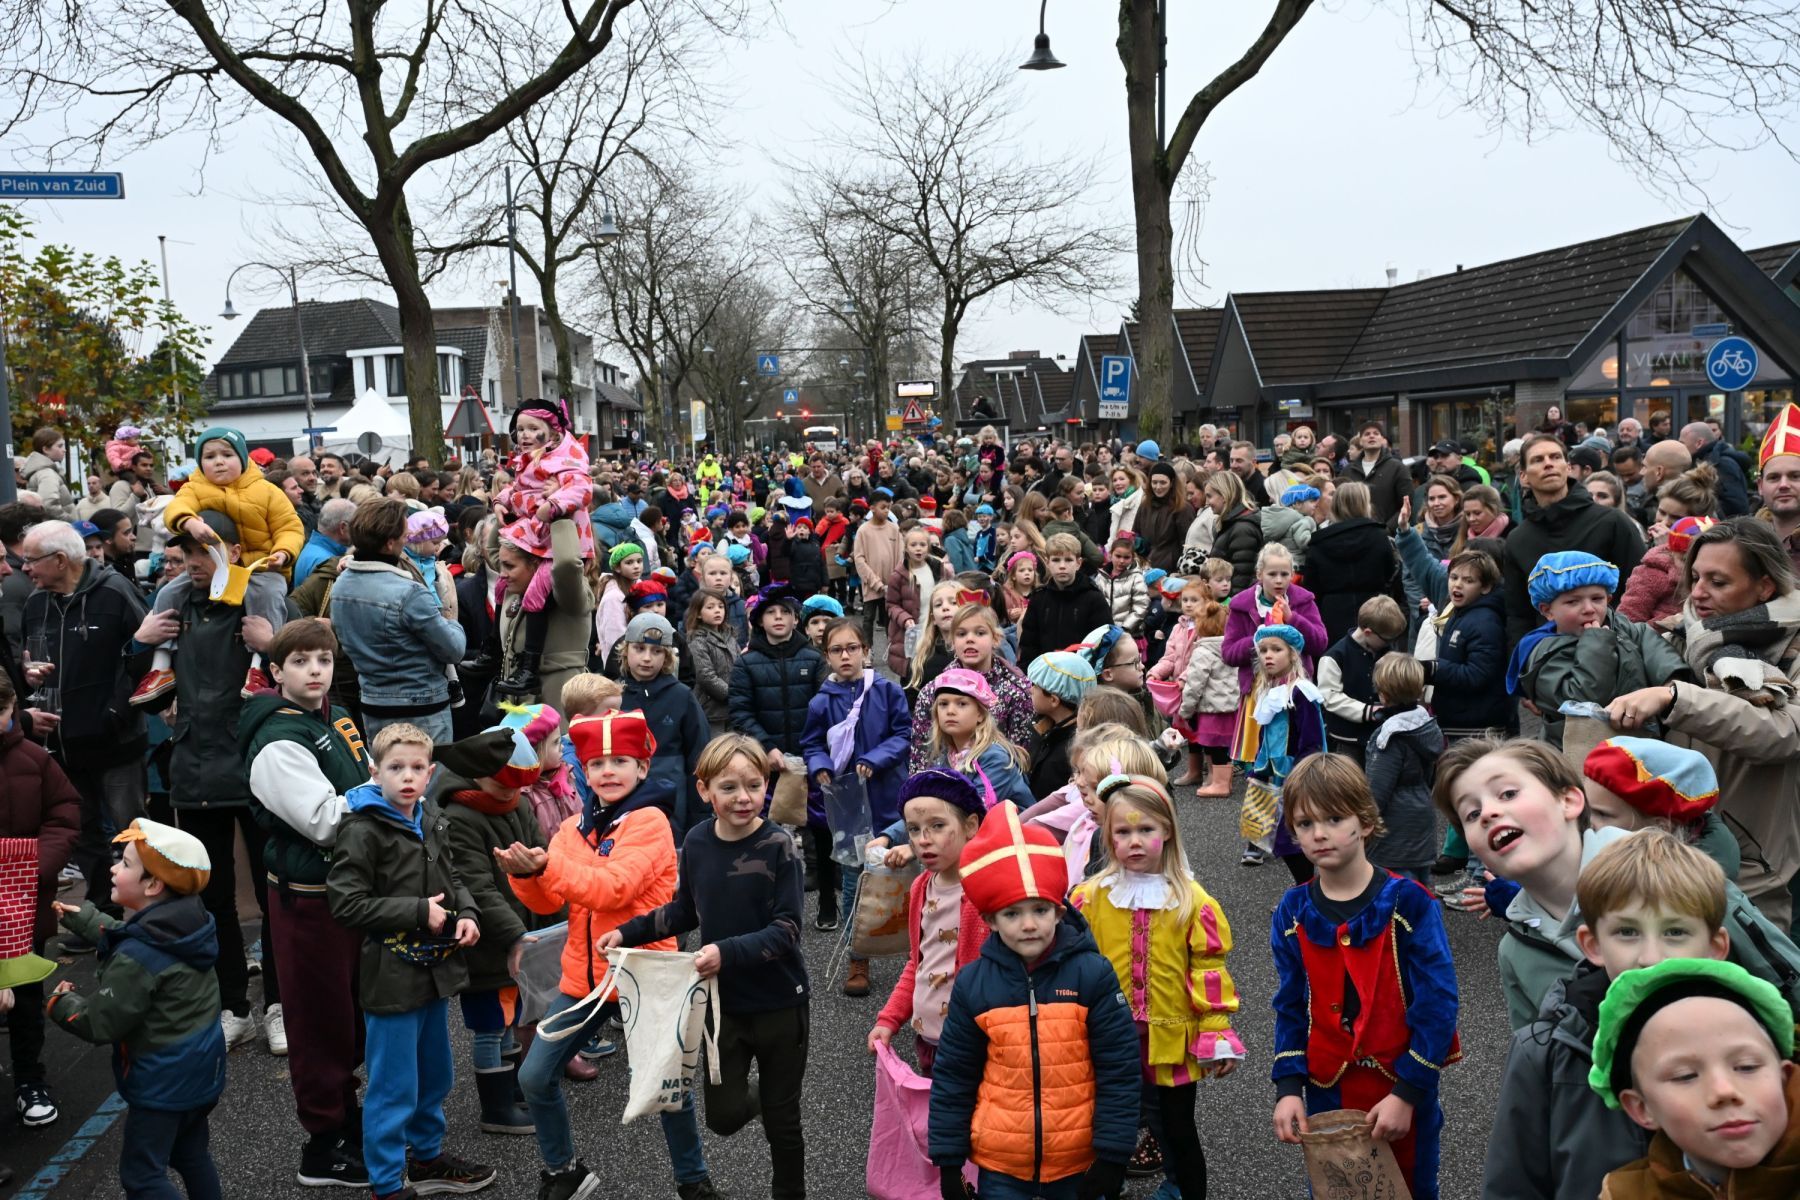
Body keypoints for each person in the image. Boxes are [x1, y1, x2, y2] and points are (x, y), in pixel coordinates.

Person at [501, 710, 716, 1200]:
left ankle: (693, 1181)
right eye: (597, 763)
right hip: (584, 978)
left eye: (620, 761)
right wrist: (526, 873)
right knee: (535, 1076)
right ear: (584, 771)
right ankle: (564, 1171)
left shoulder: (651, 822)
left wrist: (548, 866)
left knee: (667, 1089)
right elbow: (548, 901)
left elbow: (612, 888)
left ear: (643, 767)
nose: (608, 771)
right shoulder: (573, 827)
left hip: (644, 973)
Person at [1483, 826, 1756, 1200]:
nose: (1651, 958)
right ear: (1592, 945)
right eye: (1627, 932)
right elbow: (1512, 1187)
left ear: (1715, 946)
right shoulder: (1546, 1052)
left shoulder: (1757, 1044)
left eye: (1675, 932)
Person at [603, 734, 809, 1200]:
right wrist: (627, 932)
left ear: (767, 785)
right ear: (704, 790)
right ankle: (764, 1097)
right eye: (729, 787)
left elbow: (788, 929)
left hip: (781, 1002)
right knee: (723, 1116)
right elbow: (684, 911)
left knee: (784, 1122)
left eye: (754, 785)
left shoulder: (780, 845)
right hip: (722, 1004)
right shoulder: (696, 841)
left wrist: (726, 952)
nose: (743, 797)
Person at [927, 801, 1140, 1200]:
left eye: (1040, 910)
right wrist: (949, 1162)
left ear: (1059, 912)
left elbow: (1120, 1069)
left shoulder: (1093, 975)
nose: (1028, 924)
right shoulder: (973, 986)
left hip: (1079, 1160)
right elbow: (954, 1077)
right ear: (990, 920)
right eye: (1012, 914)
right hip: (1002, 1164)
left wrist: (1113, 1155)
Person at [1270, 754, 1460, 1200]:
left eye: (1334, 819)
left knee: (1409, 1187)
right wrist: (1288, 1087)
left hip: (1399, 1085)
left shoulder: (1409, 903)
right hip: (1327, 1088)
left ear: (1366, 821)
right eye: (1305, 824)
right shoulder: (1292, 911)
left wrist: (1408, 1093)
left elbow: (1438, 1003)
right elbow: (1290, 1004)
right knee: (1339, 1191)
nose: (1319, 833)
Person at [325, 723, 494, 1199]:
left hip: (434, 970)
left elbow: (453, 876)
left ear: (430, 773)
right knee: (393, 1086)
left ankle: (426, 1158)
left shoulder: (430, 815)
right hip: (391, 976)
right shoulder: (361, 829)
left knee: (435, 1074)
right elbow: (346, 904)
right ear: (374, 771)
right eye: (395, 767)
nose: (407, 776)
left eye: (417, 768)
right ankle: (385, 1183)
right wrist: (418, 911)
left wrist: (468, 912)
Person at [1604, 517, 1800, 928]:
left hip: (1754, 865)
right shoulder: (1678, 635)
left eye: (1718, 581)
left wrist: (1675, 698)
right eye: (1695, 577)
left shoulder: (1793, 647)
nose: (1697, 593)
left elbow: (1784, 733)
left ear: (1765, 587)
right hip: (1667, 851)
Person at [239, 618, 371, 1187]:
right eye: (300, 661)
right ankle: (324, 1145)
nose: (315, 671)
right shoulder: (277, 739)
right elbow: (322, 821)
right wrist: (388, 795)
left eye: (324, 659)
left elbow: (359, 777)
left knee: (347, 1014)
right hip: (308, 898)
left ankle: (346, 1118)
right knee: (317, 1020)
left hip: (345, 890)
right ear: (276, 671)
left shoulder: (334, 716)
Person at [1072, 774, 1243, 1200]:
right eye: (1122, 832)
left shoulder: (1191, 900)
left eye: (1145, 829)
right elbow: (1073, 964)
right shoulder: (1090, 899)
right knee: (1105, 1125)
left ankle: (1185, 1191)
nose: (1134, 841)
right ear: (1108, 837)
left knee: (1177, 1129)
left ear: (1166, 831)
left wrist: (1216, 1030)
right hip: (1107, 1036)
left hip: (1171, 1037)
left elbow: (1208, 969)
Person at [47, 819, 227, 1200]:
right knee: (191, 1155)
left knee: (142, 1176)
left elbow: (100, 1022)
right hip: (201, 1072)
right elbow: (137, 933)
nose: (114, 868)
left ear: (153, 885)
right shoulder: (188, 923)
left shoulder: (137, 958)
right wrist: (86, 919)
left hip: (162, 1085)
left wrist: (61, 1004)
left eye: (126, 864)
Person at [1587, 957, 1800, 1197]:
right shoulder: (1624, 1194)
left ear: (1783, 1077)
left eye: (1746, 1067)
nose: (1724, 1091)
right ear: (1642, 1108)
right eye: (1685, 1076)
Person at [431, 725, 554, 1139]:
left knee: (511, 1016)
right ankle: (496, 1107)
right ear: (477, 773)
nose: (511, 794)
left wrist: (539, 864)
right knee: (490, 1026)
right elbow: (476, 888)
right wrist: (515, 934)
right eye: (503, 786)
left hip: (517, 940)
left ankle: (513, 1091)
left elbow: (541, 852)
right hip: (486, 943)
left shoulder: (517, 804)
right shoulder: (459, 817)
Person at [134, 427, 304, 702]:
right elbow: (176, 508)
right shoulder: (194, 487)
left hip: (260, 567)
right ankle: (161, 666)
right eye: (209, 456)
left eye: (227, 454)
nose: (219, 462)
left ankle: (258, 668)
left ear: (243, 458)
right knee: (167, 592)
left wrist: (283, 553)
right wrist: (189, 522)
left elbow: (289, 527)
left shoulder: (267, 491)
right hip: (216, 566)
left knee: (268, 596)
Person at [802, 618, 909, 992]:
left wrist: (876, 758)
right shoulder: (821, 701)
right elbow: (812, 743)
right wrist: (820, 766)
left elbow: (903, 734)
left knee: (902, 874)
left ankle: (917, 954)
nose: (845, 656)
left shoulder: (887, 690)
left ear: (866, 651)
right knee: (853, 881)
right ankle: (857, 956)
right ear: (826, 656)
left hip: (888, 797)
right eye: (836, 650)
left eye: (852, 648)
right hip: (848, 805)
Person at [0, 670, 79, 1131]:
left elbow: (64, 814)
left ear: (13, 708)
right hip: (22, 896)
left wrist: (34, 868)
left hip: (21, 904)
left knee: (26, 998)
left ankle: (30, 1079)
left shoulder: (34, 759)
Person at [1510, 551, 1686, 749]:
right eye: (1573, 601)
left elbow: (1657, 652)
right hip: (1580, 752)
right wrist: (1596, 644)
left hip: (1642, 743)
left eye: (1597, 599)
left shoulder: (1622, 626)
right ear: (1547, 610)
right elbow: (1581, 701)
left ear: (1608, 599)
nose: (1589, 608)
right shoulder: (1542, 652)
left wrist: (1672, 685)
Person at [331, 498, 468, 744]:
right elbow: (454, 650)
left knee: (387, 768)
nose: (407, 540)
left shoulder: (341, 585)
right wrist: (450, 617)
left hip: (373, 704)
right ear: (390, 543)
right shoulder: (409, 593)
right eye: (405, 535)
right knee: (428, 769)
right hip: (422, 707)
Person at [488, 400, 596, 696]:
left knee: (536, 594)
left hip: (556, 693)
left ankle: (529, 668)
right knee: (501, 588)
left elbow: (582, 489)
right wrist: (500, 505)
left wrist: (556, 504)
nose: (524, 434)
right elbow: (516, 492)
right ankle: (491, 651)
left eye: (532, 428)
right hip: (536, 539)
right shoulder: (531, 463)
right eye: (520, 429)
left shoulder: (564, 464)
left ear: (554, 434)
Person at [1502, 434, 1645, 641]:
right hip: (1546, 651)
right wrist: (1523, 657)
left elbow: (1639, 590)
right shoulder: (1518, 539)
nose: (1548, 464)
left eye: (1555, 457)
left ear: (1568, 467)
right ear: (1523, 476)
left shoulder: (1612, 522)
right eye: (1538, 460)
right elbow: (1518, 615)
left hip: (1611, 645)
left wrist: (1617, 642)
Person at [1232, 623, 1326, 875]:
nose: (1268, 656)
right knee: (1280, 839)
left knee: (1293, 839)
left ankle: (1307, 888)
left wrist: (1301, 775)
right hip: (1274, 774)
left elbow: (1312, 739)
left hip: (1297, 775)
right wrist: (1258, 770)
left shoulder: (1301, 692)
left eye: (1276, 649)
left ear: (1293, 654)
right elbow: (1265, 737)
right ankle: (1306, 888)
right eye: (1263, 650)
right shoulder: (1270, 691)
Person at [617, 612, 710, 839]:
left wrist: (700, 815)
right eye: (639, 648)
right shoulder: (612, 695)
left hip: (671, 804)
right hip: (621, 799)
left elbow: (700, 758)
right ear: (626, 650)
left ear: (667, 656)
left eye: (656, 651)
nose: (647, 658)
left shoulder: (682, 696)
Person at [908, 603, 1035, 770]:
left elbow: (1021, 756)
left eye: (980, 633)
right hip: (942, 780)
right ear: (952, 641)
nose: (970, 639)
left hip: (996, 779)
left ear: (995, 639)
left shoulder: (1015, 692)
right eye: (961, 634)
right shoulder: (933, 692)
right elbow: (920, 755)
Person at [1362, 655, 1444, 884]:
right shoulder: (1426, 726)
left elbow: (1377, 792)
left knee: (1393, 891)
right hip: (1421, 816)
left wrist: (1363, 824)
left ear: (1383, 694)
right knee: (1420, 888)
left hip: (1394, 829)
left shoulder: (1390, 736)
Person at [1316, 595, 1405, 766]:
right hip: (1348, 740)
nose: (1390, 644)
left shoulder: (1385, 651)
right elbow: (1330, 697)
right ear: (1368, 632)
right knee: (1348, 781)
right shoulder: (1334, 657)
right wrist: (1366, 711)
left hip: (1382, 736)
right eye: (1387, 640)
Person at [1017, 533, 1112, 668]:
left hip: (1082, 673)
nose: (1062, 566)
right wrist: (1028, 673)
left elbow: (1104, 643)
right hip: (1044, 672)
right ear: (1047, 562)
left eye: (1068, 560)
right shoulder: (1039, 599)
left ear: (1078, 563)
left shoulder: (1094, 598)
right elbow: (1029, 644)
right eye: (1056, 560)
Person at [1023, 649, 1096, 801]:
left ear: (1054, 700)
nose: (1031, 690)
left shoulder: (1072, 749)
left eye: (1036, 686)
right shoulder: (1043, 728)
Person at [885, 525, 953, 678]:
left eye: (922, 545)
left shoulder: (938, 568)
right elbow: (891, 605)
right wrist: (905, 618)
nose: (918, 549)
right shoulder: (898, 576)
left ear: (928, 547)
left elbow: (952, 591)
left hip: (936, 630)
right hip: (911, 632)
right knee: (911, 672)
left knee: (935, 671)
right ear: (906, 548)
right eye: (913, 545)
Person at [852, 489, 904, 644]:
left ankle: (891, 648)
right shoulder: (863, 531)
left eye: (888, 507)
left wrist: (894, 581)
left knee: (890, 618)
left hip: (891, 585)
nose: (887, 511)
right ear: (872, 508)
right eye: (883, 507)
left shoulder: (894, 529)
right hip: (871, 585)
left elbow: (900, 556)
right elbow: (859, 559)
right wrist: (876, 583)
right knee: (868, 618)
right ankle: (867, 649)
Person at [685, 588, 737, 730]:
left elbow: (740, 666)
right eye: (710, 607)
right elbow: (706, 676)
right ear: (698, 613)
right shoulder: (698, 640)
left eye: (721, 607)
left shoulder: (730, 637)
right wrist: (734, 693)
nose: (717, 611)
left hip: (733, 708)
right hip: (711, 709)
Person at [1679, 420, 1750, 517]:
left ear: (1699, 443)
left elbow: (1735, 506)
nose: (1680, 447)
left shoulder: (1721, 464)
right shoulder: (1706, 461)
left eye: (1682, 443)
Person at [1094, 536, 1150, 642]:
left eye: (1126, 557)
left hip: (1128, 635)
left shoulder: (1136, 578)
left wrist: (1124, 629)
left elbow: (1141, 606)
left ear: (1132, 558)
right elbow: (1095, 603)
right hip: (1103, 632)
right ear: (1110, 555)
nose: (1121, 561)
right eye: (1118, 556)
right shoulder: (1101, 576)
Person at [294, 497, 356, 590]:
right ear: (342, 527)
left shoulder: (312, 548)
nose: (356, 531)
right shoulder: (326, 562)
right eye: (355, 525)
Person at [20, 428, 73, 518]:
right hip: (58, 525)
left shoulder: (41, 471)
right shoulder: (46, 473)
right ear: (45, 449)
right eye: (60, 446)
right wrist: (72, 522)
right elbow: (49, 507)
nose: (64, 450)